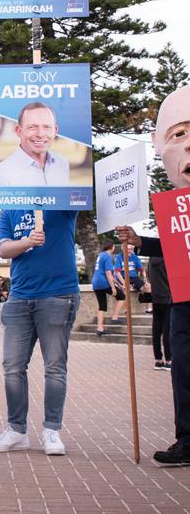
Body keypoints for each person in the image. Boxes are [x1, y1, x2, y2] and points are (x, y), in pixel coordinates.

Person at [116, 84, 190, 465]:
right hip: (184, 300)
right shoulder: (176, 206)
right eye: (179, 133)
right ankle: (187, 440)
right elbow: (172, 245)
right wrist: (137, 240)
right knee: (184, 369)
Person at [0, 209, 79, 456]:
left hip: (58, 294)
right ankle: (17, 431)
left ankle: (51, 430)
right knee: (13, 366)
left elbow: (78, 190)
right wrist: (28, 241)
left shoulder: (61, 203)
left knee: (55, 366)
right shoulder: (9, 210)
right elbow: (3, 249)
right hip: (20, 297)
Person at [0, 102, 71, 187]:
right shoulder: (1, 176)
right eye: (32, 127)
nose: (40, 134)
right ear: (19, 131)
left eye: (47, 127)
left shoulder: (62, 163)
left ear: (55, 130)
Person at [91, 241, 118, 336]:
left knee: (102, 305)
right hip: (103, 282)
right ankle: (115, 317)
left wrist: (117, 283)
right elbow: (108, 273)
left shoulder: (101, 255)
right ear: (112, 247)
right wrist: (113, 287)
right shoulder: (107, 256)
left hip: (95, 282)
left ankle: (100, 328)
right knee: (122, 296)